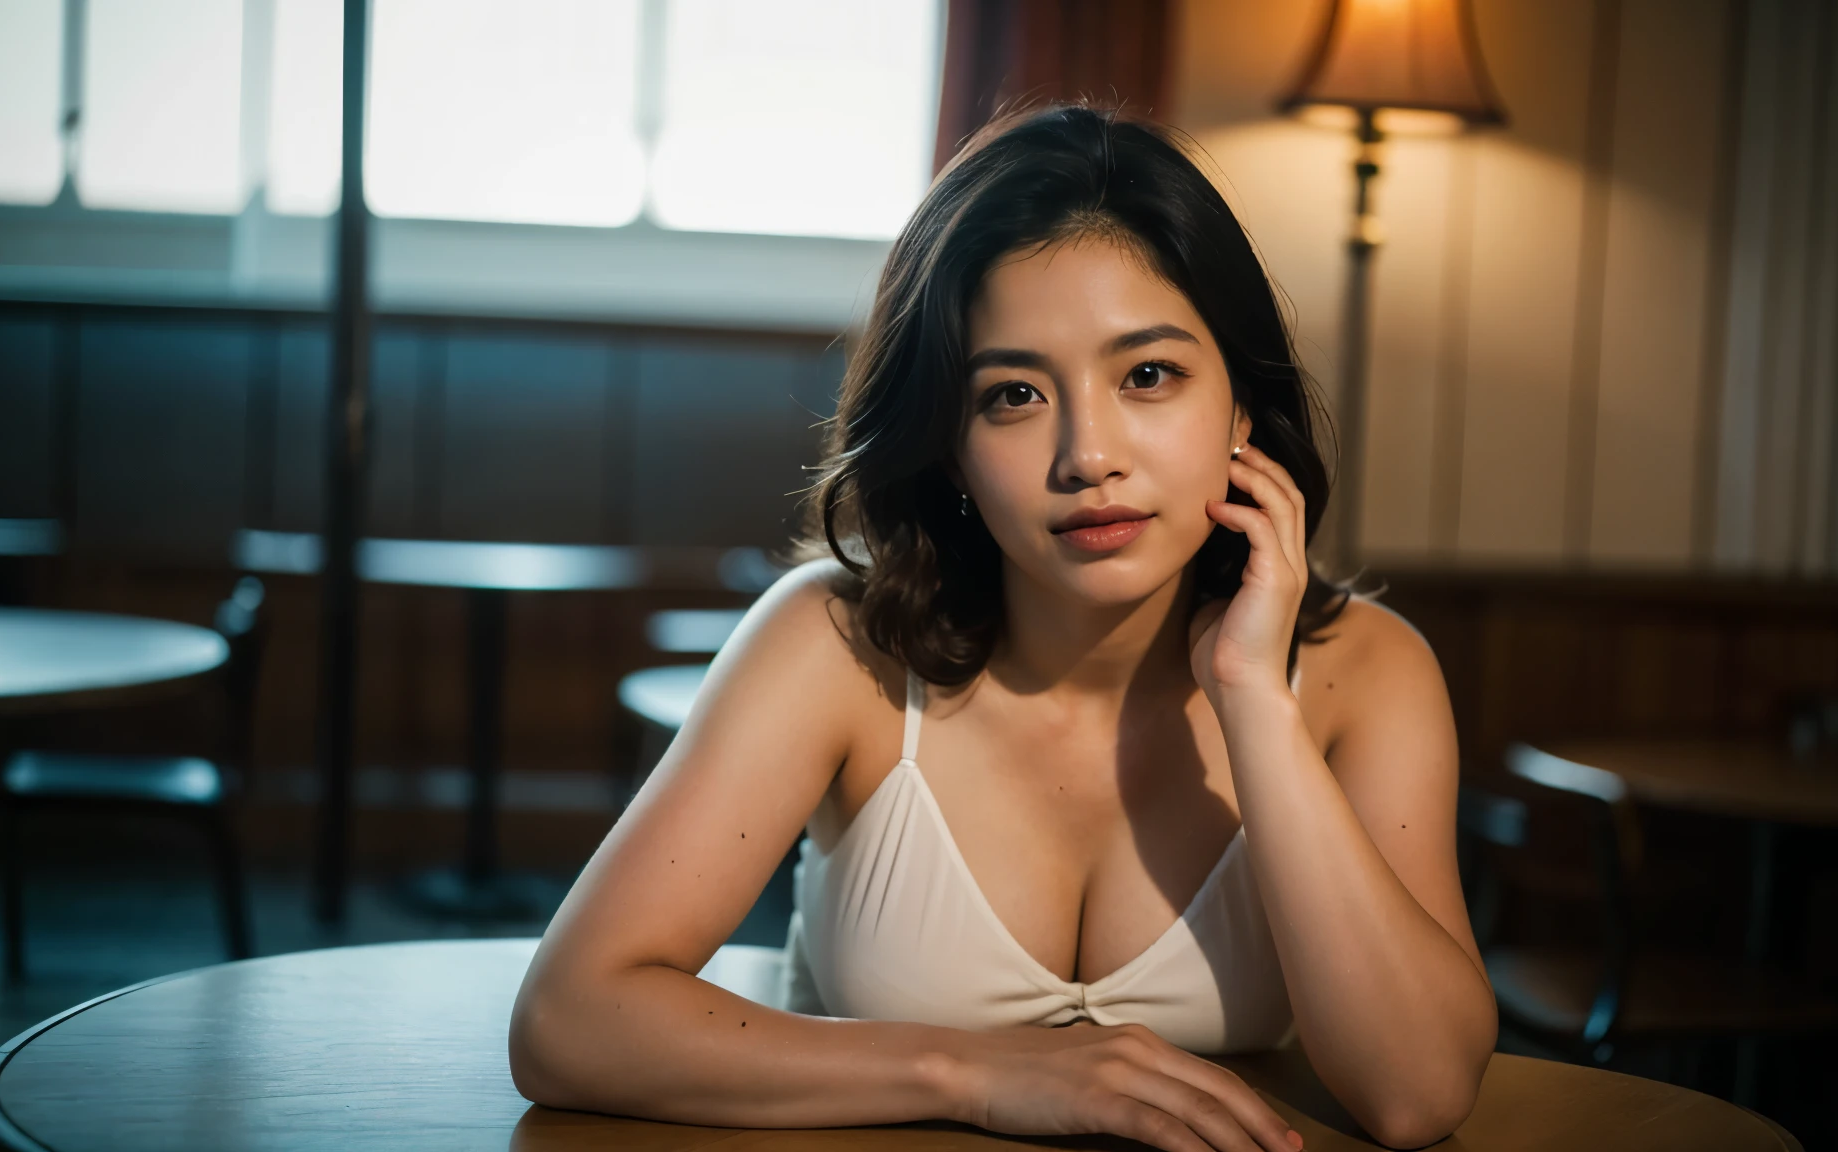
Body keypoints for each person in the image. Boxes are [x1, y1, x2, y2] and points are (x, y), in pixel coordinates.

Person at [510, 105, 1496, 1152]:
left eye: (1148, 375)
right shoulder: (835, 647)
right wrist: (974, 1071)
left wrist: (1254, 699)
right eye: (1013, 395)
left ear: (1241, 407)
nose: (1087, 454)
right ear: (949, 447)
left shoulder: (1366, 674)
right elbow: (566, 1021)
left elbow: (1418, 1093)